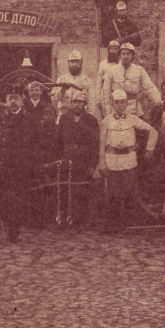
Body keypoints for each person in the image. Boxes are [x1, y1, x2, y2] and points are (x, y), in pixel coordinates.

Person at [98, 88, 158, 234]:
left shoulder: (133, 119)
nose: (120, 105)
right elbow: (101, 145)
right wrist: (102, 164)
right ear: (112, 103)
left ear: (126, 103)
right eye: (117, 102)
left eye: (122, 102)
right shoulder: (105, 122)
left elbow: (153, 131)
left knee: (131, 193)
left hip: (129, 161)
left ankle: (130, 225)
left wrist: (149, 149)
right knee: (113, 194)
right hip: (112, 161)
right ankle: (112, 225)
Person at [0, 84, 37, 242]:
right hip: (0, 167)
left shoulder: (30, 119)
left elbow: (36, 144)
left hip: (20, 169)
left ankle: (14, 235)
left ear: (22, 101)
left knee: (17, 202)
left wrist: (29, 164)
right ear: (5, 101)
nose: (13, 101)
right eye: (10, 98)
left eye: (16, 98)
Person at [55, 89, 99, 226]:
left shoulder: (91, 120)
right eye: (74, 102)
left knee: (82, 190)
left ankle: (80, 219)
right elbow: (58, 141)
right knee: (64, 188)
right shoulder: (64, 118)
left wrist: (93, 164)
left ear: (84, 104)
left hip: (83, 160)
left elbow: (95, 144)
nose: (77, 105)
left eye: (80, 102)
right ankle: (64, 217)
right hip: (67, 159)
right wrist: (59, 158)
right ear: (71, 103)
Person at [102, 43, 162, 120]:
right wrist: (107, 113)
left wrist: (158, 100)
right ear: (120, 55)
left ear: (133, 55)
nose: (125, 56)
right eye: (123, 54)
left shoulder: (139, 70)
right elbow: (106, 93)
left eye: (128, 54)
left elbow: (150, 87)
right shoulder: (112, 70)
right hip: (116, 109)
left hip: (133, 110)